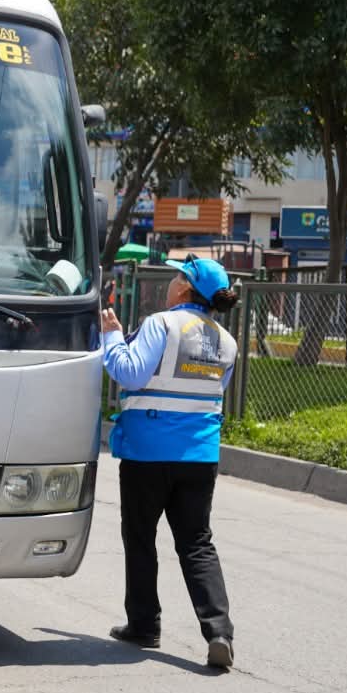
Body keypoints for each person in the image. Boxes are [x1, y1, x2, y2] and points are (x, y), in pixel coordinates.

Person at [100, 254, 240, 671]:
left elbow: (128, 372)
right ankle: (219, 632)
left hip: (147, 453)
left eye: (175, 277)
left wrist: (112, 336)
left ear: (183, 288)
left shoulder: (161, 324)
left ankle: (144, 625)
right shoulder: (227, 342)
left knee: (141, 537)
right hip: (200, 456)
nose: (169, 283)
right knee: (197, 543)